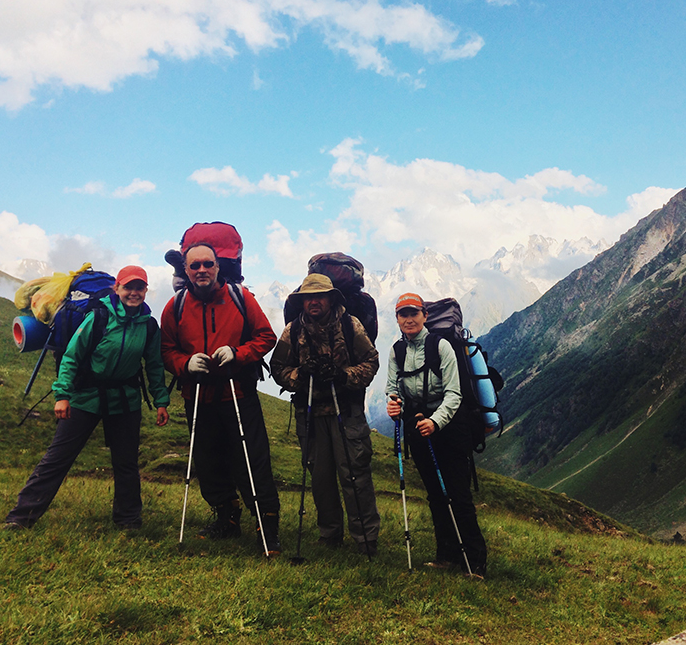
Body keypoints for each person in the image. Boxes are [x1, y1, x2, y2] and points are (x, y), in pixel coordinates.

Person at [5, 265, 170, 530]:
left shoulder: (148, 325)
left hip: (125, 400)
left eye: (139, 288)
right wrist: (62, 395)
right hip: (85, 395)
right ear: (117, 288)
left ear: (146, 290)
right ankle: (20, 518)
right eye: (128, 287)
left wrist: (161, 400)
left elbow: (154, 365)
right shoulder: (98, 316)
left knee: (126, 462)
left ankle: (129, 521)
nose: (134, 293)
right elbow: (72, 356)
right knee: (58, 458)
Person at [160, 242, 281, 553]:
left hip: (237, 391)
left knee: (252, 461)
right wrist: (184, 363)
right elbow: (166, 350)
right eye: (195, 266)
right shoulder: (175, 306)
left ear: (218, 266)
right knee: (208, 459)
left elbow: (266, 336)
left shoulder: (240, 298)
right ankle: (226, 517)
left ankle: (266, 527)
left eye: (207, 264)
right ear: (186, 271)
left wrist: (238, 354)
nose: (202, 270)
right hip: (198, 393)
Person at [270, 274, 381, 555]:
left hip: (347, 411)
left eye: (319, 296)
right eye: (308, 298)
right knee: (319, 478)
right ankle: (329, 535)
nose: (313, 302)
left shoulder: (349, 324)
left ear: (331, 298)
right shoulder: (293, 330)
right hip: (311, 413)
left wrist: (344, 376)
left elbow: (371, 361)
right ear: (302, 301)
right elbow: (278, 368)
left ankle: (365, 539)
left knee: (355, 475)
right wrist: (301, 376)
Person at [386, 293, 487, 577]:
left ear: (425, 316)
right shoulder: (397, 351)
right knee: (435, 494)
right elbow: (393, 388)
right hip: (419, 426)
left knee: (458, 494)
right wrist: (395, 404)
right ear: (397, 318)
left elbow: (454, 394)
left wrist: (436, 422)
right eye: (403, 314)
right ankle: (447, 555)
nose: (409, 318)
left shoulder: (442, 346)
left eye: (414, 313)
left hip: (450, 427)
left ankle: (476, 560)